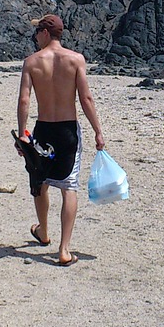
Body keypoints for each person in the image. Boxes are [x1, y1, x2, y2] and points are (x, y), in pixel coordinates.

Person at [16, 13, 106, 266]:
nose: (35, 37)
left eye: (37, 33)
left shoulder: (31, 62)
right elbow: (85, 98)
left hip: (43, 129)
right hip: (67, 130)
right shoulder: (76, 59)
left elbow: (24, 100)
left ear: (45, 33)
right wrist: (98, 130)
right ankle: (64, 250)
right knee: (69, 187)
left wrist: (23, 133)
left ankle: (43, 231)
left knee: (40, 179)